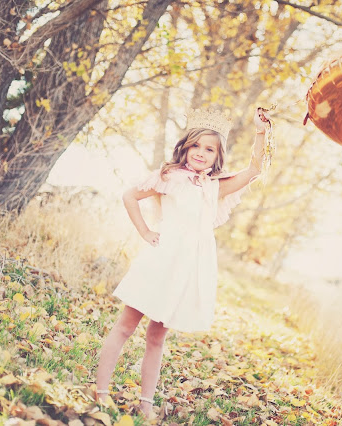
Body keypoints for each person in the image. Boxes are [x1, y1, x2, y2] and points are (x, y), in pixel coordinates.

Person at [94, 107, 271, 418]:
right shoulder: (169, 177)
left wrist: (261, 131)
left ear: (217, 155)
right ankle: (101, 392)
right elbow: (129, 196)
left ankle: (146, 404)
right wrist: (145, 231)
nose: (201, 153)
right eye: (195, 146)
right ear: (185, 147)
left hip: (186, 268)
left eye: (209, 149)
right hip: (161, 260)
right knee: (126, 326)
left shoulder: (216, 186)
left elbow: (254, 169)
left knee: (157, 336)